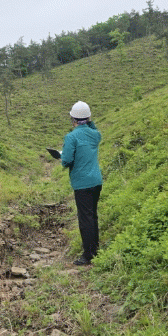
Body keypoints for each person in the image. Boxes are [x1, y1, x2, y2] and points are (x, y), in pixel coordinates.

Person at [61, 101, 103, 266]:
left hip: (82, 183)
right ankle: (95, 250)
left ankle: (88, 255)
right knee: (92, 216)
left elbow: (66, 160)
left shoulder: (71, 137)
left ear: (73, 119)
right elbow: (93, 128)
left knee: (85, 219)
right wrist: (89, 121)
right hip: (96, 181)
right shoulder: (95, 135)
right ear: (89, 117)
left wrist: (62, 156)